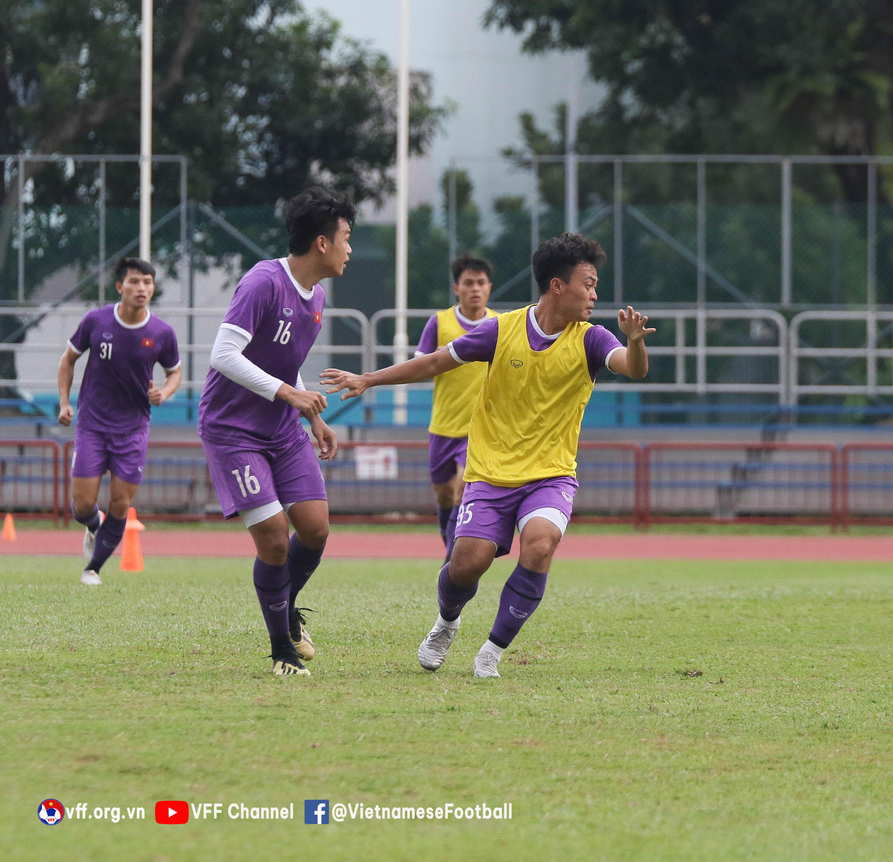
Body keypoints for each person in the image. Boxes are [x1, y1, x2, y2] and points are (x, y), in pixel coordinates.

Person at [321, 232, 652, 679]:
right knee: (465, 564)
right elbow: (436, 362)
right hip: (491, 474)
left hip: (551, 475)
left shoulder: (592, 340)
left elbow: (632, 368)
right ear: (558, 286)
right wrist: (368, 379)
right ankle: (447, 621)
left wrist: (634, 341)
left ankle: (493, 651)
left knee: (540, 544)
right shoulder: (502, 330)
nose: (595, 295)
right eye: (588, 284)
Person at [197, 186, 355, 676]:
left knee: (316, 528)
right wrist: (290, 396)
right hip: (233, 430)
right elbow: (222, 355)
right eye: (347, 237)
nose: (351, 248)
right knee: (273, 538)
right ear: (322, 244)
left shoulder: (318, 296)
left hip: (283, 429)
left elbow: (287, 362)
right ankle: (282, 653)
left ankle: (285, 607)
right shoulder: (263, 281)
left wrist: (312, 415)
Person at [57, 257, 182, 585]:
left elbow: (174, 372)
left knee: (120, 503)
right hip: (92, 427)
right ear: (119, 287)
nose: (142, 288)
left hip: (133, 430)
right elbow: (68, 360)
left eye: (148, 283)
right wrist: (64, 402)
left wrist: (165, 393)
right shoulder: (96, 321)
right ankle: (92, 525)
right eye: (135, 282)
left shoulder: (162, 332)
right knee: (82, 505)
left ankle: (92, 569)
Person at [416, 255, 496, 553]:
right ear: (456, 288)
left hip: (480, 429)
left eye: (481, 283)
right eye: (468, 283)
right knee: (444, 496)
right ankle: (448, 544)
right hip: (443, 425)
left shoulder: (500, 324)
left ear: (489, 288)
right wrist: (436, 358)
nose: (475, 288)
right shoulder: (440, 322)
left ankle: (451, 561)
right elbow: (418, 364)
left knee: (463, 490)